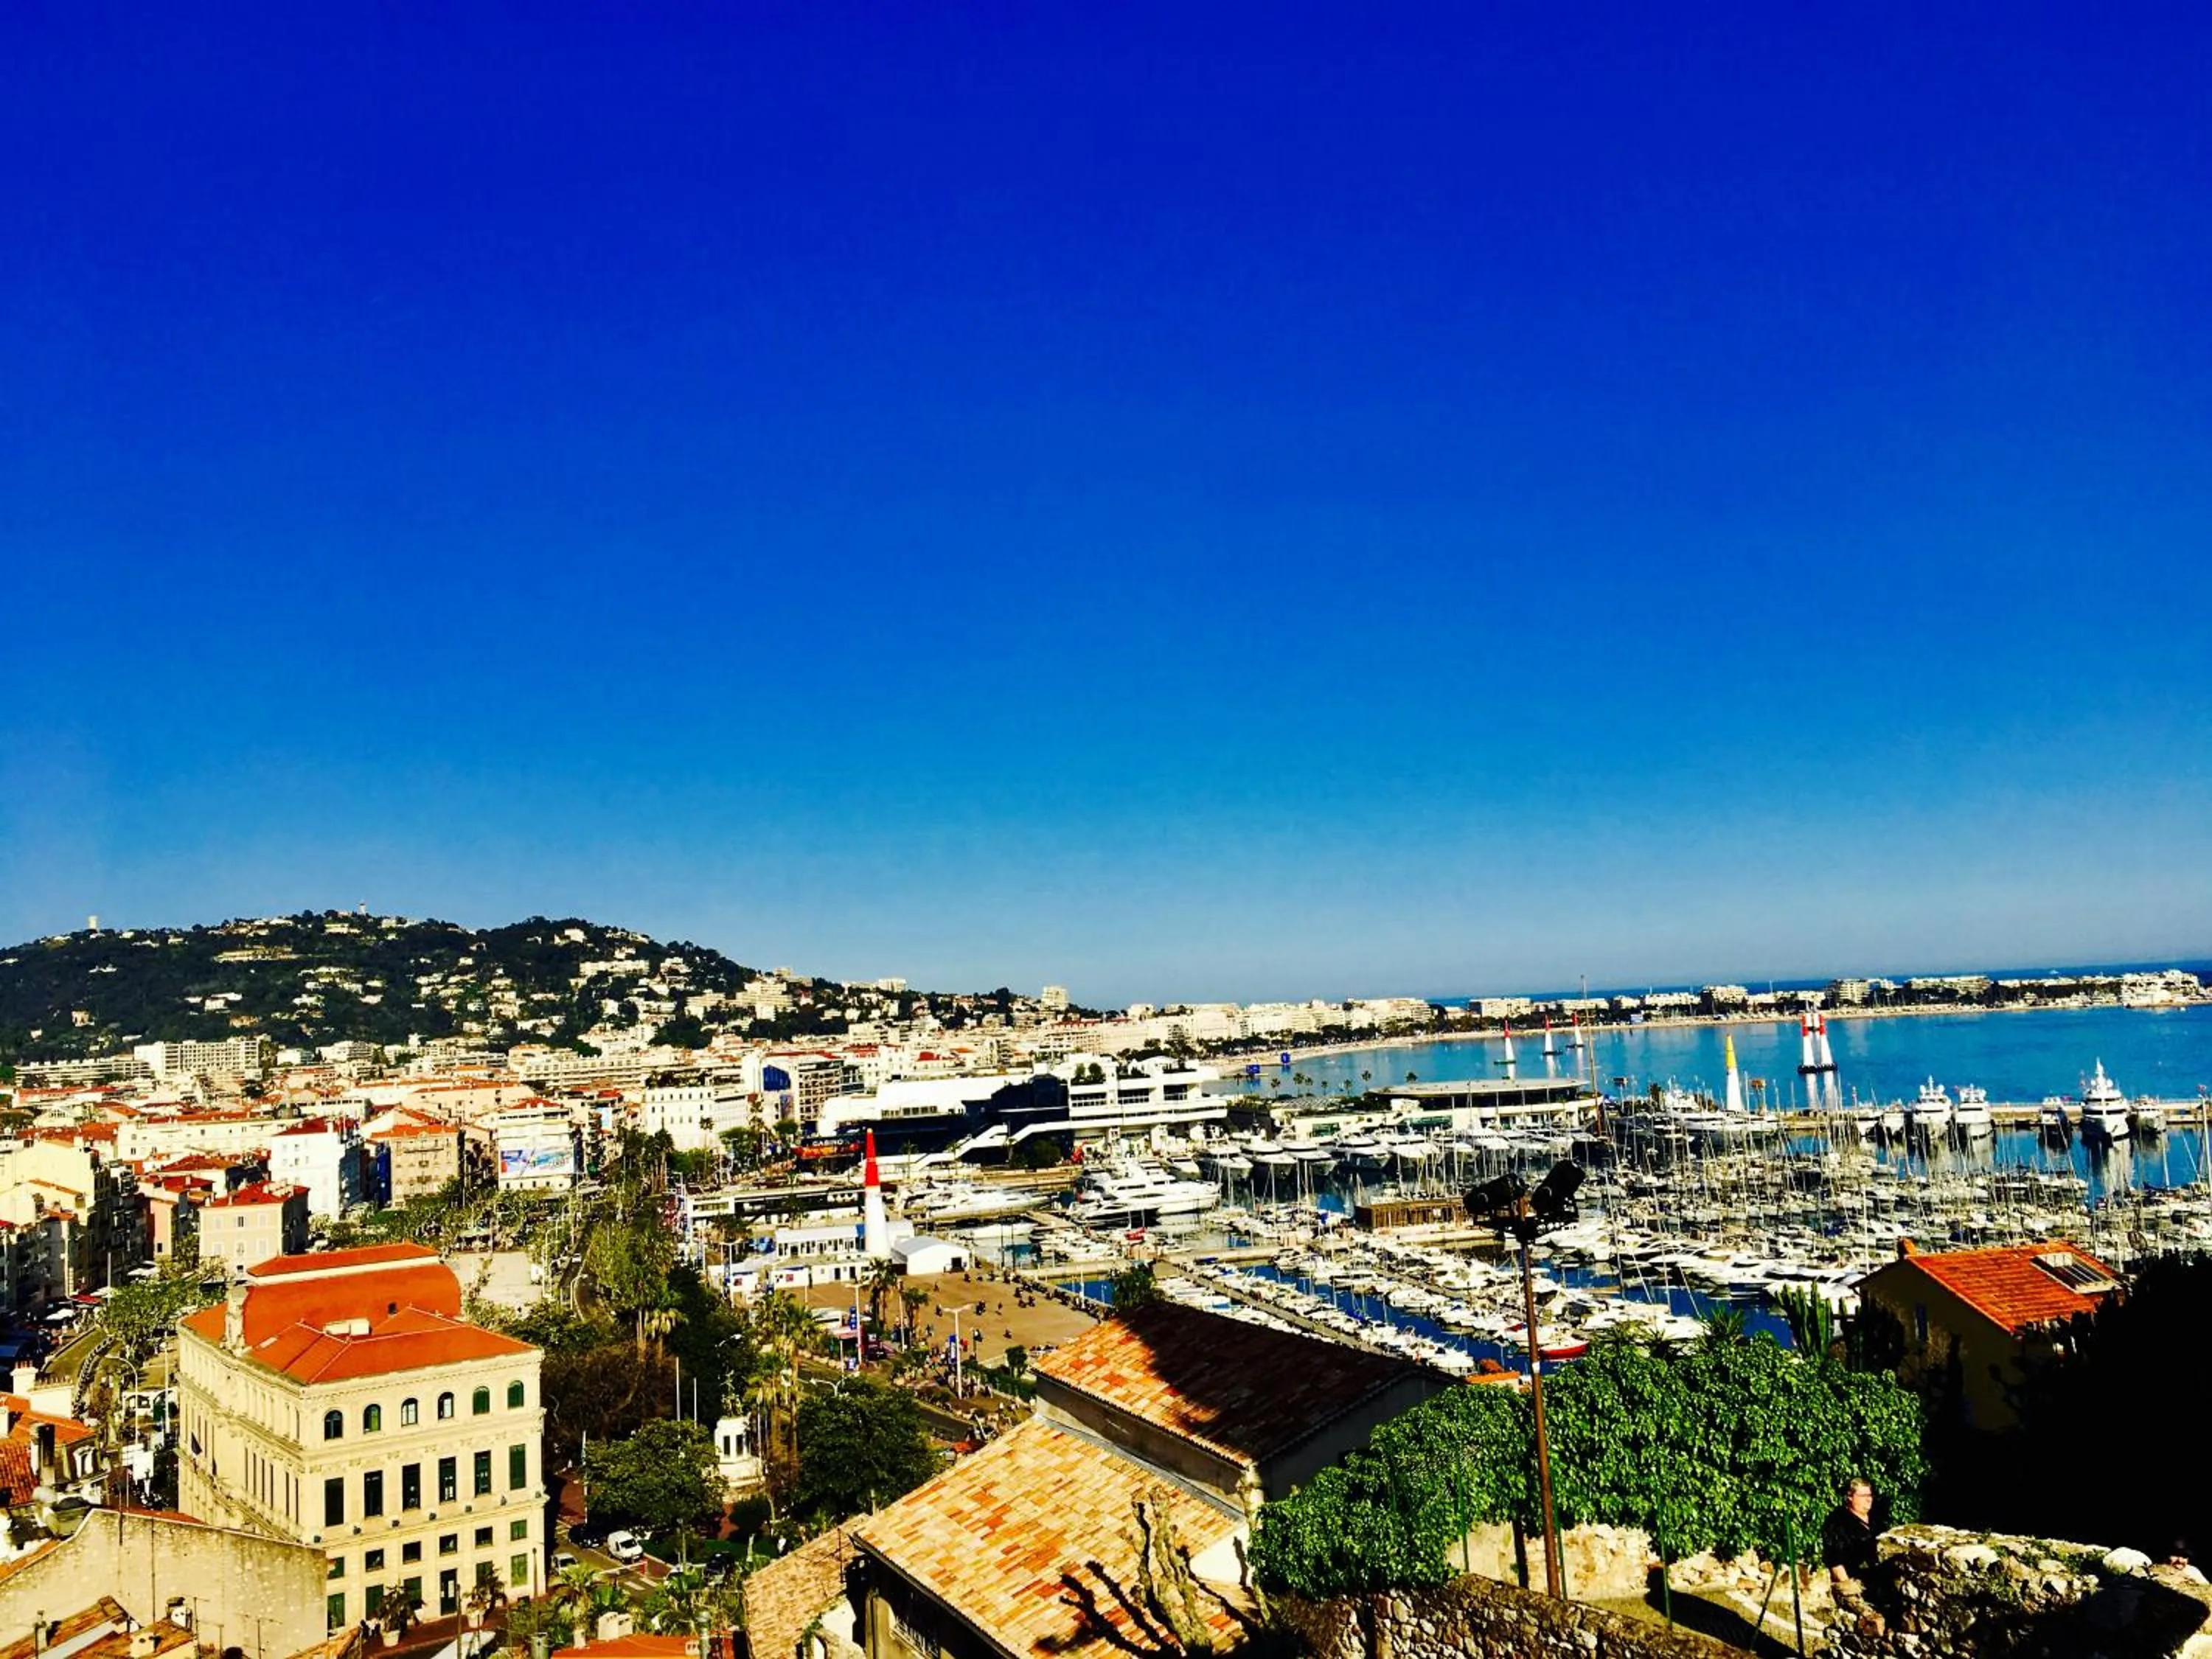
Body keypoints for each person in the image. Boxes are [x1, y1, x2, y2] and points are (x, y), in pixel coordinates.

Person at [1823, 1477, 1885, 1634]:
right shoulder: (1837, 1522)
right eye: (1863, 1496)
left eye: (1870, 1495)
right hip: (1857, 1585)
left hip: (1881, 1582)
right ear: (1850, 1497)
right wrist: (1852, 1595)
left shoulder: (1876, 1519)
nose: (1868, 1500)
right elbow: (1834, 1560)